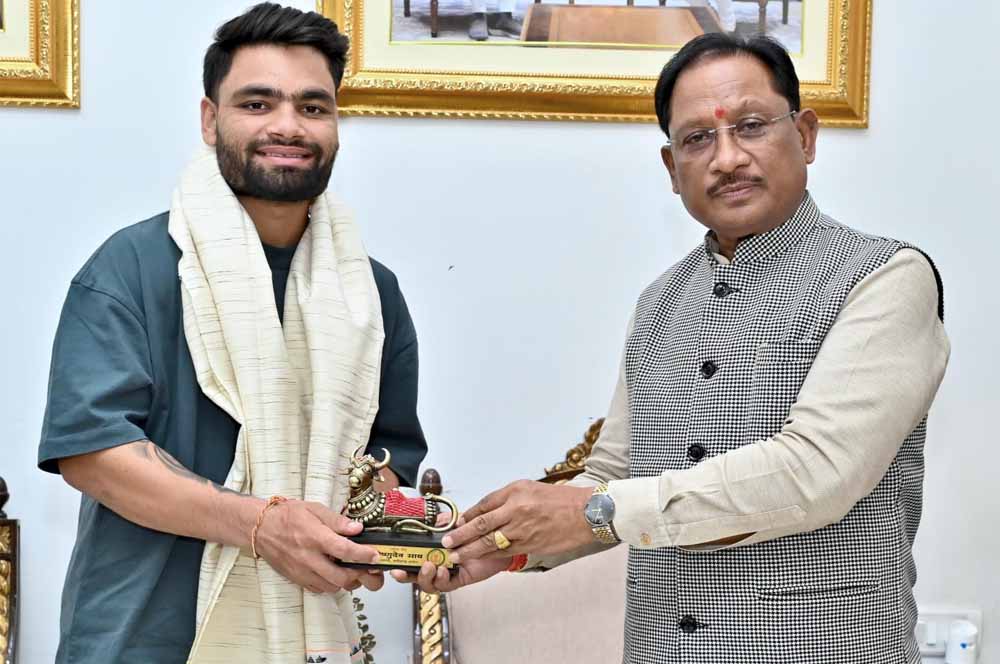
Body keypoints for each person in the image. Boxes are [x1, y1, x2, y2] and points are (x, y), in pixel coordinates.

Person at [398, 33, 949, 664]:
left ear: (806, 136)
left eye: (751, 126)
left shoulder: (885, 278)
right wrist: (501, 546)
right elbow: (611, 477)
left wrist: (597, 510)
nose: (727, 158)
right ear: (670, 167)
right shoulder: (660, 302)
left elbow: (813, 472)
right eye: (698, 139)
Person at [38, 4, 427, 663]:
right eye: (257, 103)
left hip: (310, 638)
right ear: (209, 119)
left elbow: (382, 467)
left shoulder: (371, 293)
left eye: (313, 107)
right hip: (140, 641)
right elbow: (94, 454)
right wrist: (262, 526)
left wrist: (381, 538)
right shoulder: (131, 267)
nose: (287, 126)